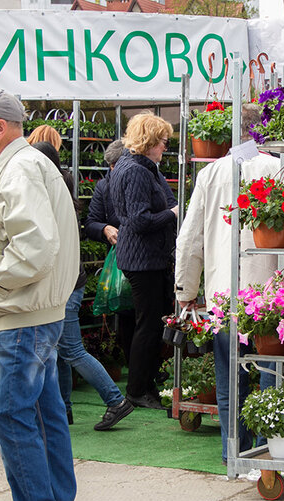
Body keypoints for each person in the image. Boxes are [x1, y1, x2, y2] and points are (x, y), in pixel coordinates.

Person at [0, 89, 79, 501]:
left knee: (9, 417)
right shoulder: (26, 165)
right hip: (36, 314)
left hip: (25, 318)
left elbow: (34, 249)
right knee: (44, 420)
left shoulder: (21, 168)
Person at [174, 104, 284, 464]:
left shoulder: (211, 173)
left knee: (229, 378)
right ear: (262, 131)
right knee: (271, 373)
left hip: (225, 294)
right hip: (276, 293)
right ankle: (269, 454)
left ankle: (232, 451)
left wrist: (185, 293)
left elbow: (190, 241)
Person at [31, 141, 135, 431]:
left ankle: (114, 399)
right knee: (60, 351)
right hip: (69, 281)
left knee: (71, 350)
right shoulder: (60, 190)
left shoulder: (49, 195)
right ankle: (63, 410)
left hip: (63, 284)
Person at [109, 112, 179, 410]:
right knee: (147, 326)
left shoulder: (141, 166)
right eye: (163, 142)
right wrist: (173, 215)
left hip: (145, 257)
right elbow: (139, 221)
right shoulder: (136, 170)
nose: (166, 147)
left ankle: (145, 383)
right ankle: (138, 389)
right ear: (149, 140)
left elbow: (166, 198)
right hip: (143, 259)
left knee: (150, 323)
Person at [84, 139, 135, 368]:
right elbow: (91, 223)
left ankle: (145, 369)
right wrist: (104, 229)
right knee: (125, 313)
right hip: (119, 262)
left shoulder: (141, 179)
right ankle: (133, 366)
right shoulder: (104, 187)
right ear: (113, 166)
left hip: (144, 259)